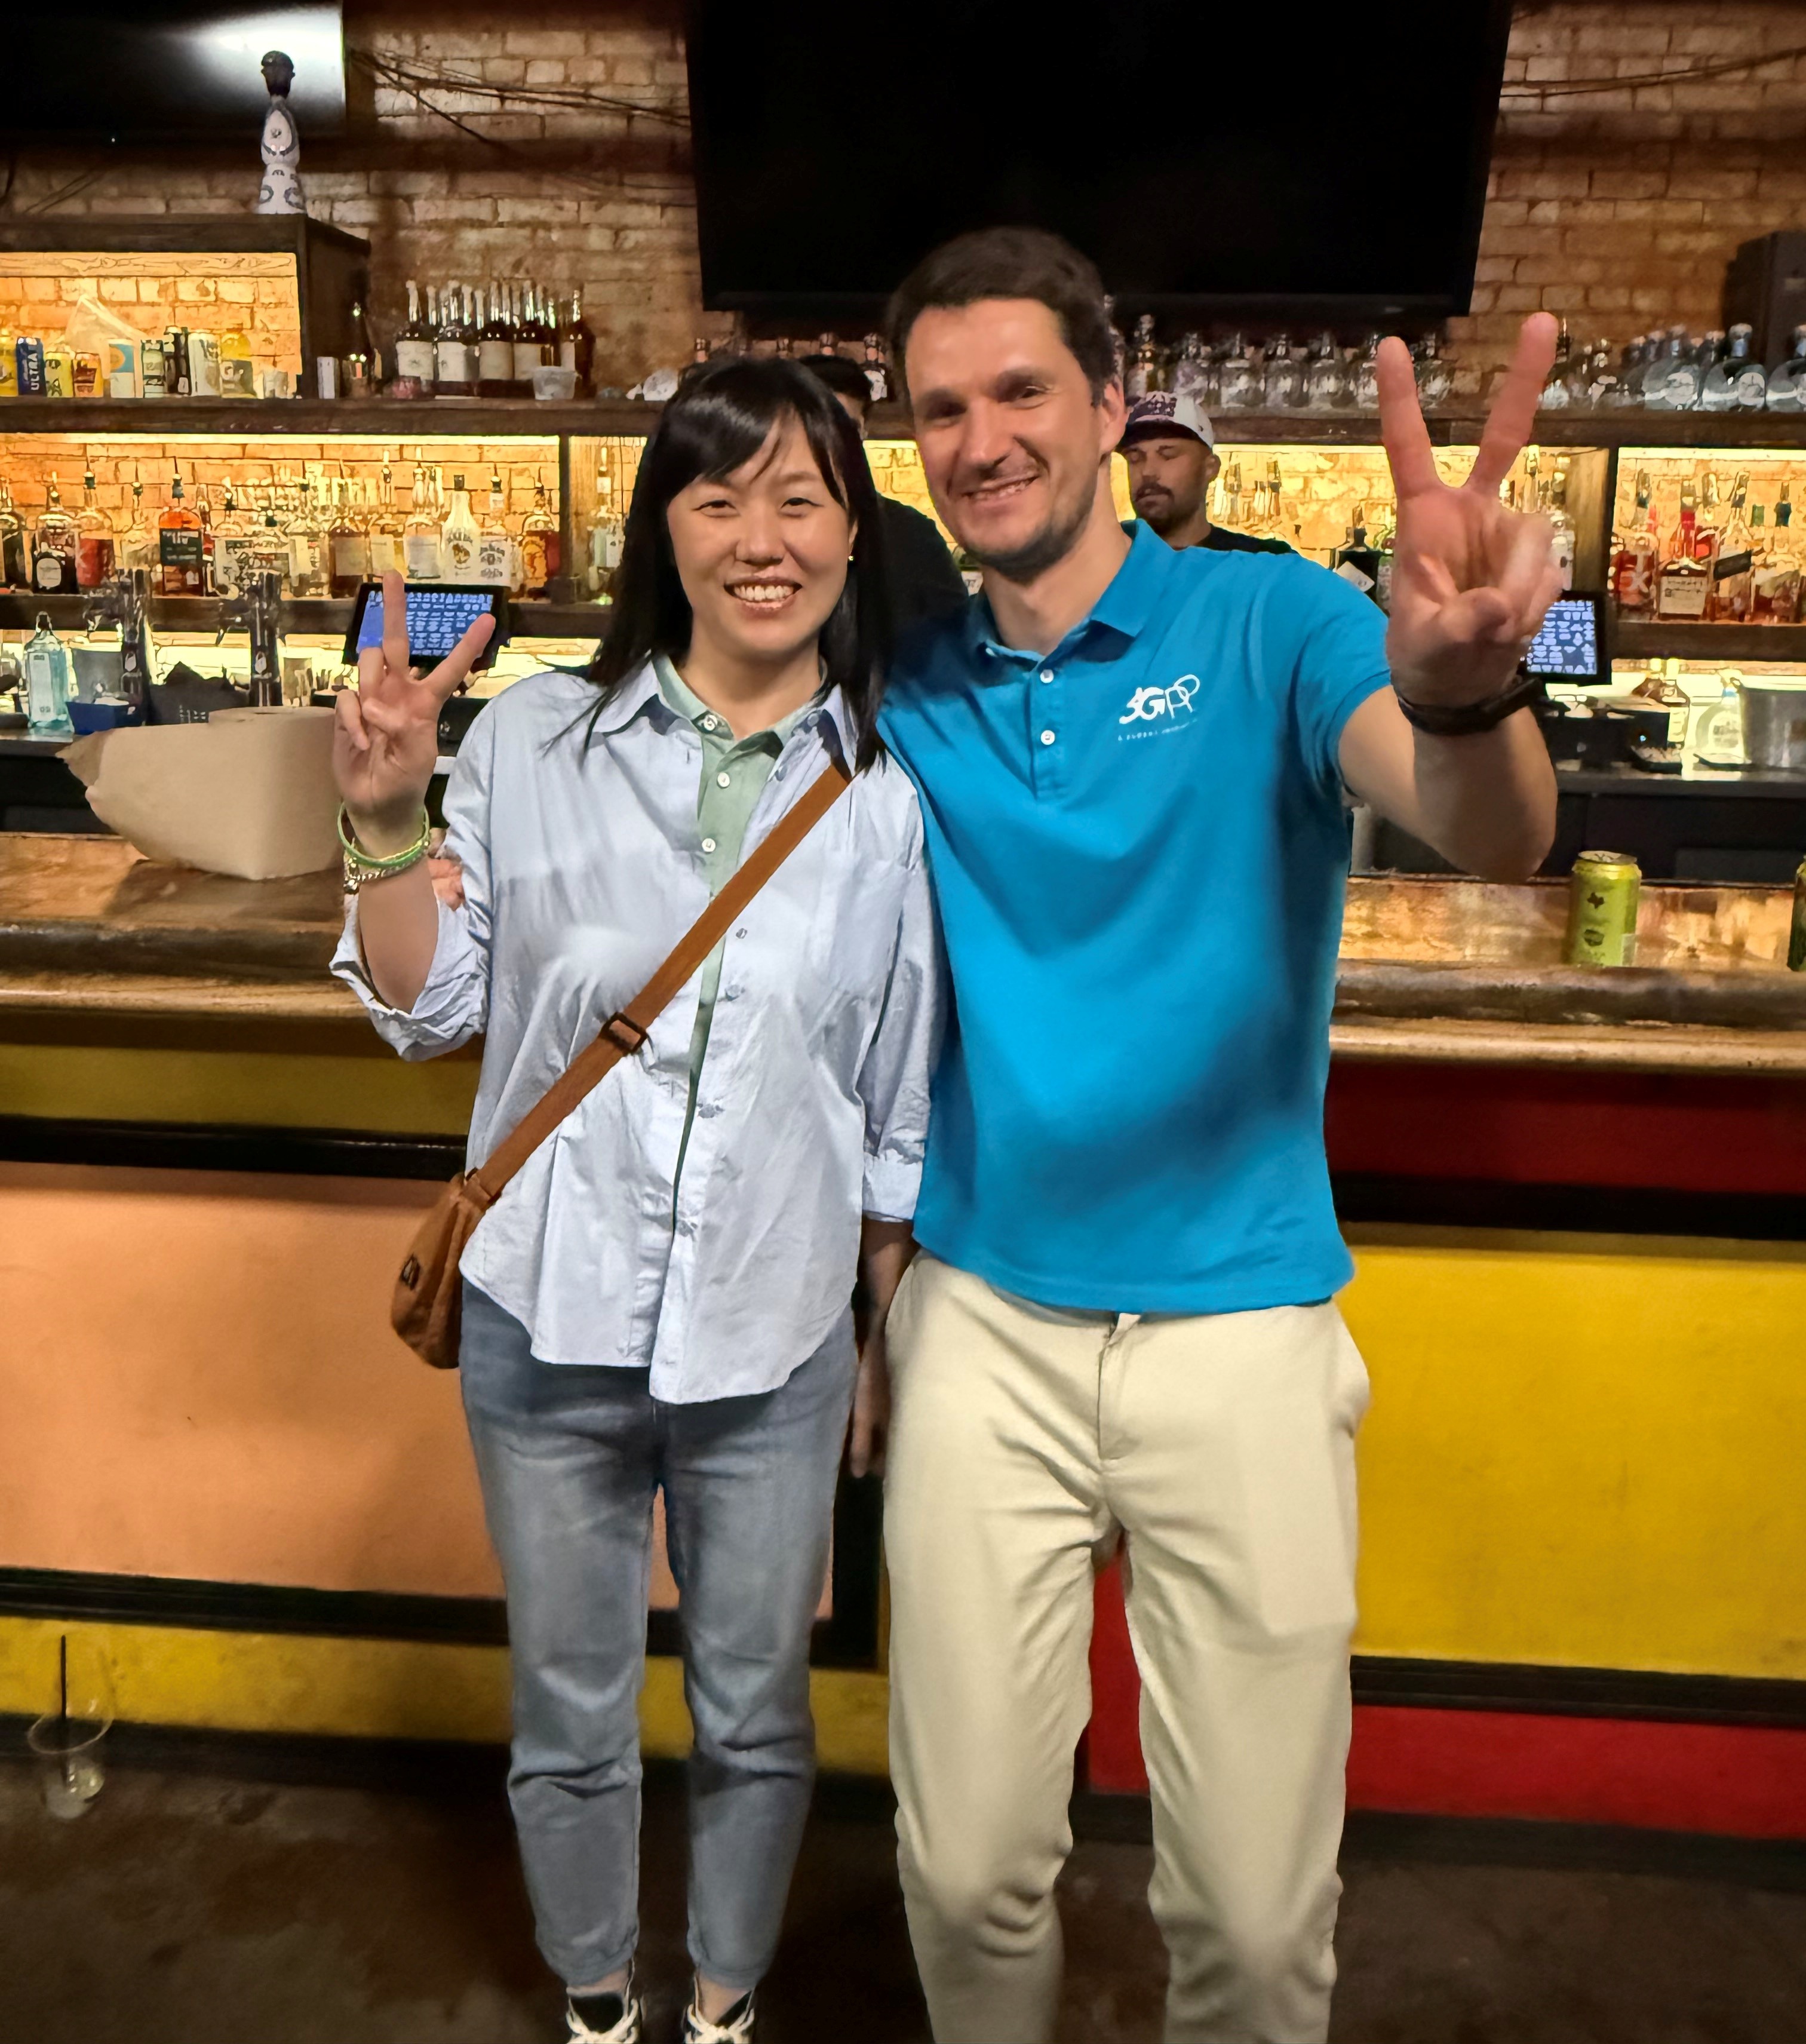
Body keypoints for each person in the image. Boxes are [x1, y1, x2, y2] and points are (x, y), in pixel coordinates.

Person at [864, 227, 1560, 2044]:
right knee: (961, 1876)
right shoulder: (908, 681)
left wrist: (1469, 685)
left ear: (1114, 406)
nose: (982, 439)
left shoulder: (1275, 623)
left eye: (1023, 390)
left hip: (1242, 1321)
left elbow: (1492, 832)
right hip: (983, 1319)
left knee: (1252, 1924)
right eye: (941, 409)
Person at [330, 358, 939, 2044]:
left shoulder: (889, 793)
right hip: (551, 1316)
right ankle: (599, 1999)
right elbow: (431, 1010)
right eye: (718, 497)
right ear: (662, 529)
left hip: (772, 1332)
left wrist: (878, 1337)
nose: (762, 539)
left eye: (802, 499)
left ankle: (724, 2004)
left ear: (853, 534)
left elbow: (893, 1097)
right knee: (571, 1710)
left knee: (755, 1713)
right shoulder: (536, 739)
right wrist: (383, 824)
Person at [800, 351, 971, 627]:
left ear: (863, 431)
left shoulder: (911, 533)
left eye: (847, 428)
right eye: (820, 427)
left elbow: (956, 634)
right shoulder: (766, 535)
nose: (833, 442)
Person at [1120, 389, 1290, 554]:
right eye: (1134, 458)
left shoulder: (1265, 562)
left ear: (1210, 468)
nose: (1148, 471)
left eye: (1168, 455)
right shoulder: (1109, 560)